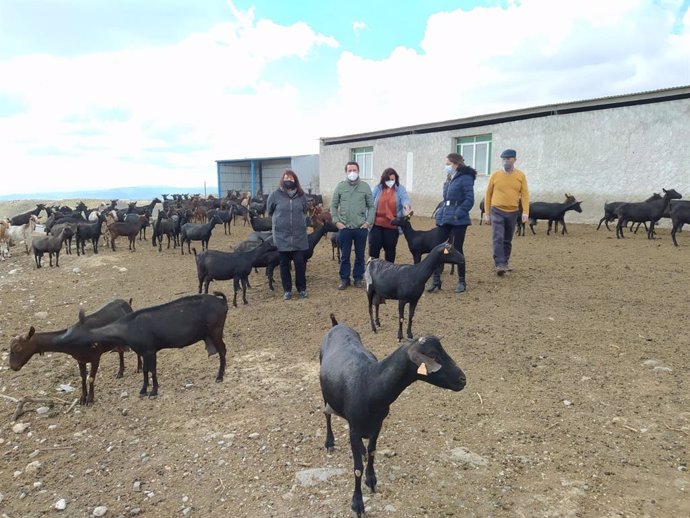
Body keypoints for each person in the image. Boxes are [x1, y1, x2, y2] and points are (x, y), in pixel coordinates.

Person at [426, 153, 476, 293]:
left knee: (457, 248)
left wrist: (458, 213)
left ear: (456, 163)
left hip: (458, 219)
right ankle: (436, 280)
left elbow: (469, 199)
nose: (446, 166)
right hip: (445, 217)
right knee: (438, 247)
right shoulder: (449, 178)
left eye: (448, 163)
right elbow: (446, 198)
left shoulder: (466, 177)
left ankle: (461, 281)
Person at [484, 148, 530, 276]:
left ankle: (505, 262)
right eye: (504, 159)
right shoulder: (495, 175)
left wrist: (525, 211)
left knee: (507, 239)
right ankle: (499, 264)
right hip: (497, 210)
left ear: (514, 159)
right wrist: (487, 214)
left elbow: (525, 194)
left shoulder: (520, 176)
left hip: (513, 211)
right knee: (498, 237)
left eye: (508, 159)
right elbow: (488, 194)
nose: (506, 161)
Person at [330, 161, 374, 289]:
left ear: (358, 171)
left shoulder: (365, 187)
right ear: (346, 172)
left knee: (360, 255)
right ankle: (344, 279)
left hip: (361, 228)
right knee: (345, 256)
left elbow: (371, 206)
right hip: (345, 228)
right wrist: (336, 221)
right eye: (349, 170)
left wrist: (368, 222)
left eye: (354, 170)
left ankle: (358, 278)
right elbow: (333, 205)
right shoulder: (340, 187)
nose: (352, 173)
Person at [267, 169, 309, 300]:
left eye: (291, 178)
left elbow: (305, 210)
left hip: (298, 236)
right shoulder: (275, 195)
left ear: (295, 180)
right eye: (286, 178)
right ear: (282, 180)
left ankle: (301, 288)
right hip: (282, 236)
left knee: (299, 263)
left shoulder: (302, 196)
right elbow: (269, 211)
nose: (288, 180)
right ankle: (287, 290)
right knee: (284, 264)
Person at [369, 168, 412, 263]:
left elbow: (405, 200)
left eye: (393, 179)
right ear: (383, 179)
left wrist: (407, 206)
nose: (391, 182)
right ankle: (372, 272)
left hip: (392, 225)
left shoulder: (400, 189)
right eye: (388, 180)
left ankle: (389, 273)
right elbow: (370, 202)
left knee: (390, 250)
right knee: (373, 250)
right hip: (376, 225)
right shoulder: (378, 188)